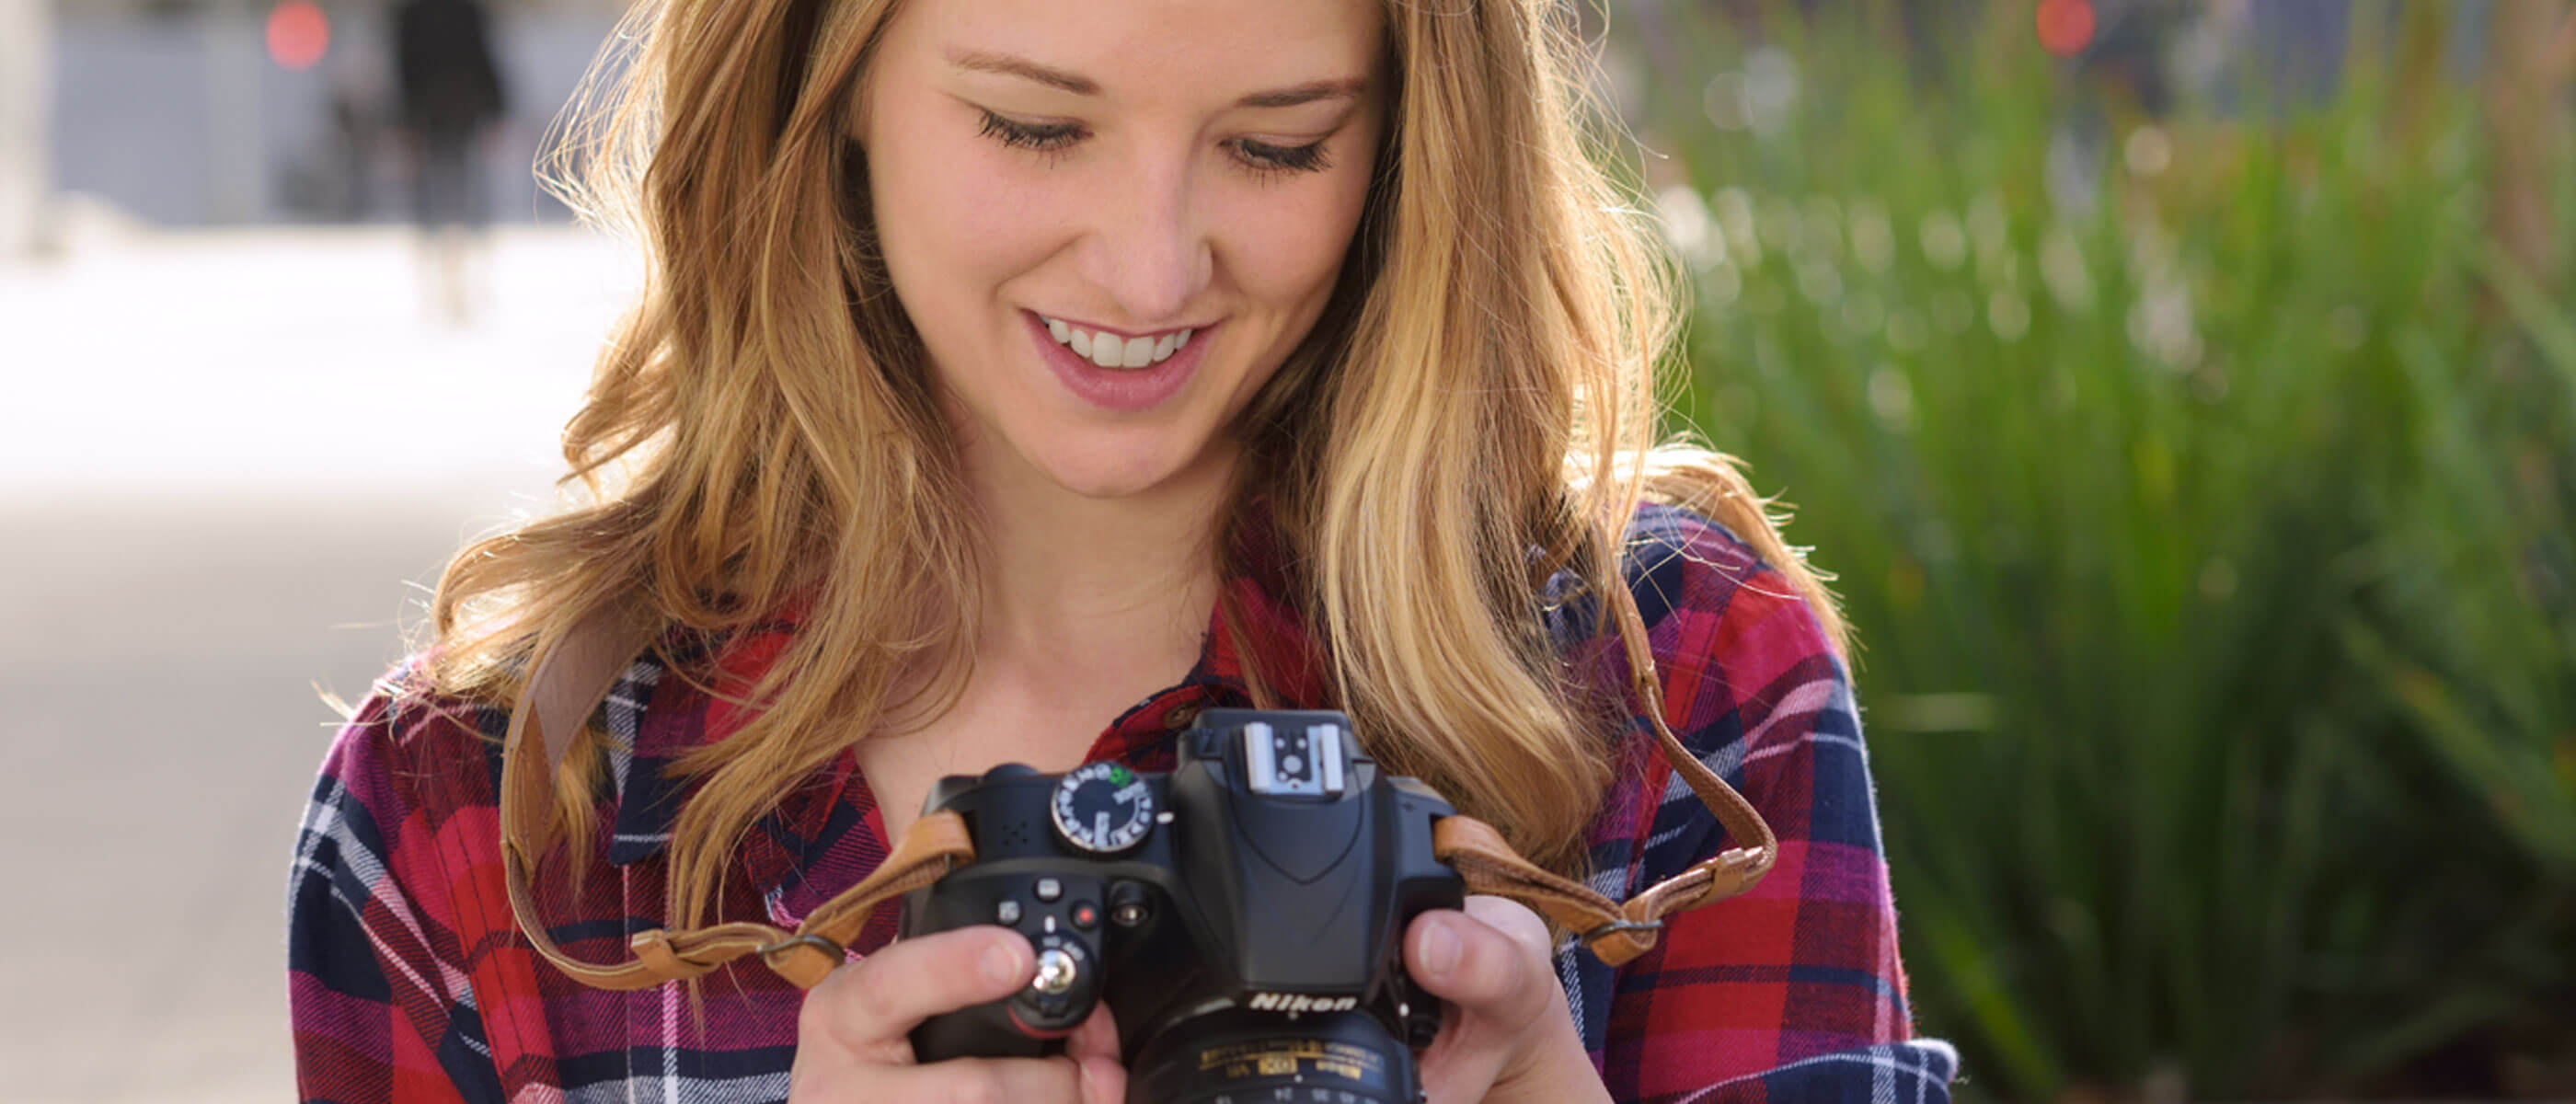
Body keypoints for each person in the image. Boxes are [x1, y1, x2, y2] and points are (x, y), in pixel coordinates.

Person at [286, 0, 1958, 1099]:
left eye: (1278, 142)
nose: (1152, 270)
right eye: (1033, 125)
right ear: (825, 78)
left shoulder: (1679, 685)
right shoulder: (484, 814)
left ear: (1408, 139)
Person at [391, 0, 509, 321]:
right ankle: (441, 278)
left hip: (454, 108)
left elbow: (483, 53)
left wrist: (496, 109)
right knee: (441, 197)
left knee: (461, 196)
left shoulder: (452, 8)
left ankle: (464, 277)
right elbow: (403, 61)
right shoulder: (417, 10)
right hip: (440, 110)